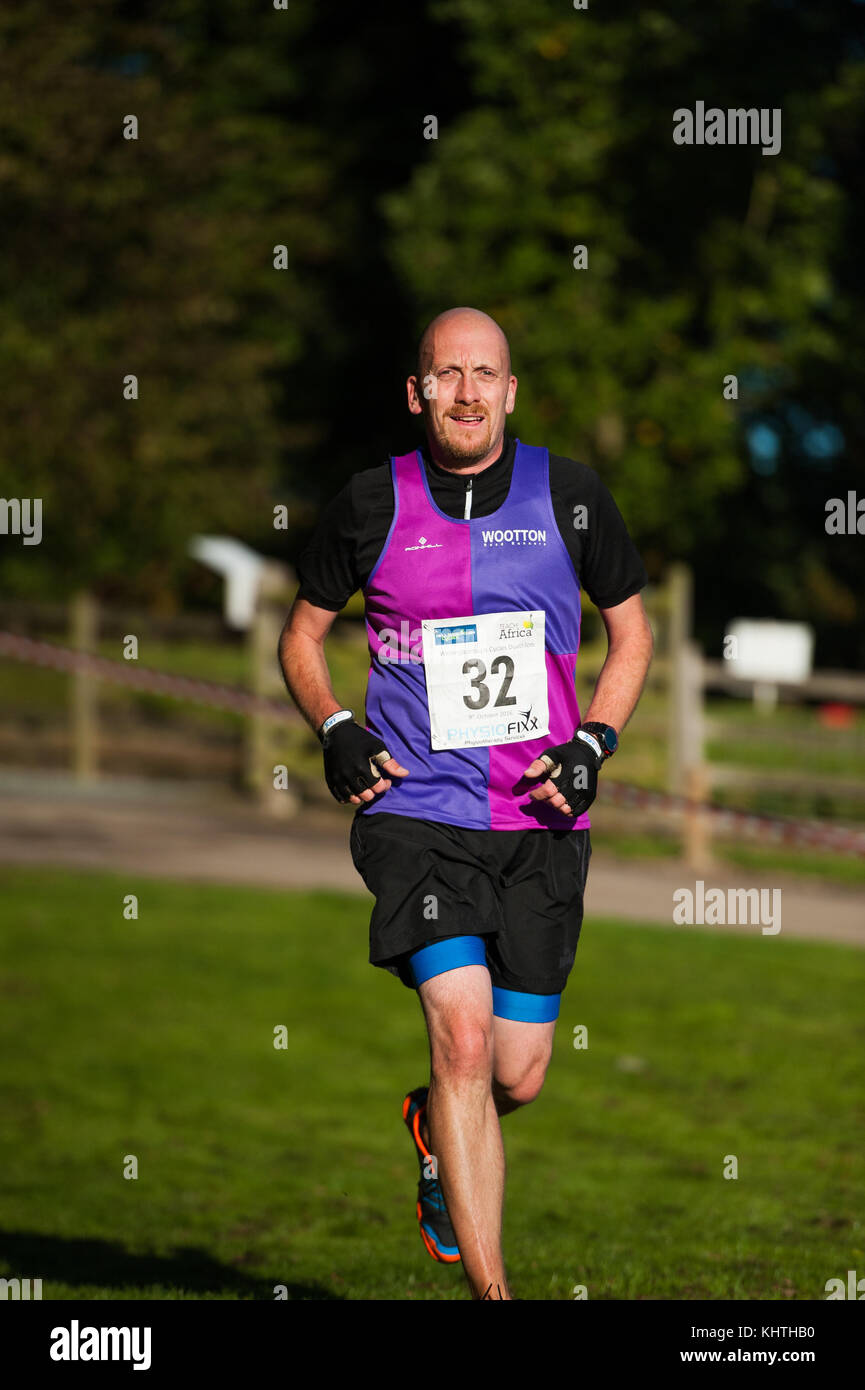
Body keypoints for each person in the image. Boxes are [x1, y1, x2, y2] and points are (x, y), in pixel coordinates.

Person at [278, 306, 653, 1300]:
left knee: (517, 1073)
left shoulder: (570, 497)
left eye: (485, 372)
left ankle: (433, 1123)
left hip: (540, 822)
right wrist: (334, 726)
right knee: (466, 1038)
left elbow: (633, 635)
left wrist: (591, 744)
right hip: (417, 815)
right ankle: (495, 1296)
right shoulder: (368, 503)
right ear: (418, 391)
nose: (467, 390)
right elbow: (300, 637)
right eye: (447, 373)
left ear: (511, 390)